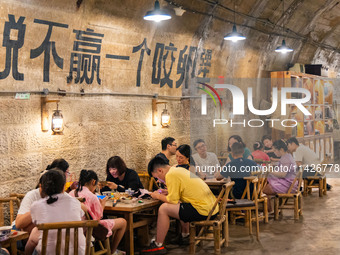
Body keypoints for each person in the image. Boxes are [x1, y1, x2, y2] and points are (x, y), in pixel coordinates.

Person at [141, 157, 218, 255]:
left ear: (160, 170)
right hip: (212, 208)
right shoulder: (177, 170)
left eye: (156, 177)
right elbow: (182, 192)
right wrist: (168, 191)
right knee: (179, 204)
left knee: (163, 208)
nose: (158, 180)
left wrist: (157, 195)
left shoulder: (170, 175)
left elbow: (172, 200)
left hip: (203, 210)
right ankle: (185, 235)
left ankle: (158, 245)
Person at [70, 170, 126, 255]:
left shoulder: (71, 193)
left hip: (73, 228)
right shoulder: (92, 196)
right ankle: (112, 251)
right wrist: (102, 204)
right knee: (123, 222)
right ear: (93, 182)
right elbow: (97, 220)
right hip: (88, 229)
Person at [30, 169, 86, 254]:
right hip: (77, 252)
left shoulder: (37, 206)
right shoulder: (75, 202)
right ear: (64, 186)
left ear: (42, 187)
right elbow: (82, 218)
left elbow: (36, 225)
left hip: (49, 253)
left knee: (34, 239)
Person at [263, 140, 297, 212]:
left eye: (275, 150)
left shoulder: (286, 159)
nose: (274, 152)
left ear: (281, 150)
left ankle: (267, 210)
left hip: (287, 185)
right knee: (265, 183)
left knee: (261, 190)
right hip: (289, 183)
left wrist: (269, 170)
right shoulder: (287, 156)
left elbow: (282, 174)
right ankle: (269, 209)